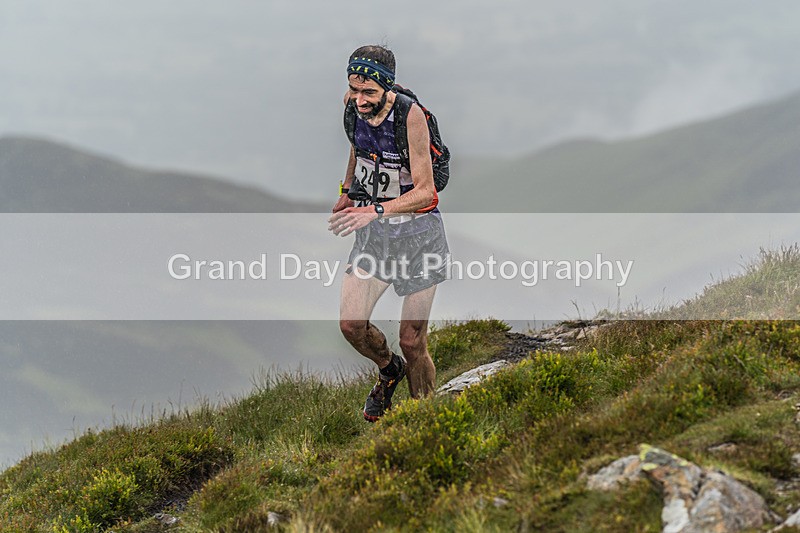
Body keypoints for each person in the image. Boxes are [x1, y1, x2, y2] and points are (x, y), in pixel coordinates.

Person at [328, 45, 449, 422]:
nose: (359, 100)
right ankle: (388, 369)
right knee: (351, 325)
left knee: (413, 342)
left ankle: (421, 422)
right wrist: (347, 193)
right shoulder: (353, 107)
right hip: (375, 238)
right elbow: (357, 147)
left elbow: (428, 192)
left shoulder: (411, 116)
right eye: (354, 89)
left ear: (386, 87)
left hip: (419, 237)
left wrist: (375, 209)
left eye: (369, 93)